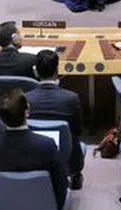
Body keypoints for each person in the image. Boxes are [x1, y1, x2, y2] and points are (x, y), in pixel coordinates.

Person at [0, 89, 68, 210]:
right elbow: (60, 185)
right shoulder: (47, 145)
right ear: (27, 112)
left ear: (1, 117)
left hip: (7, 209)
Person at [26, 50, 85, 189]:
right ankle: (74, 176)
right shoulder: (71, 98)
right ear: (57, 70)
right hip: (67, 160)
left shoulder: (26, 98)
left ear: (36, 72)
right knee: (79, 143)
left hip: (33, 157)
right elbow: (78, 131)